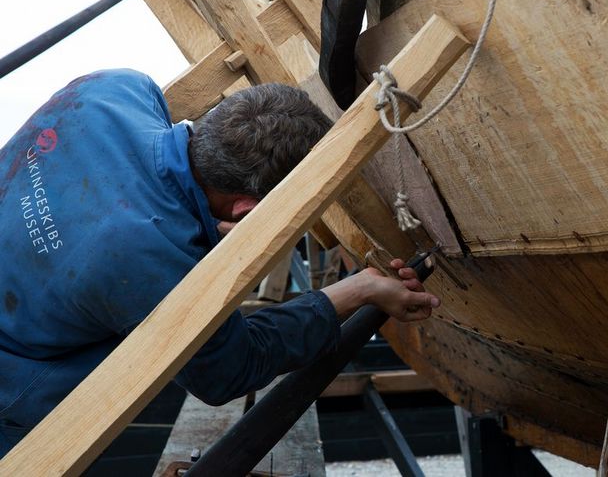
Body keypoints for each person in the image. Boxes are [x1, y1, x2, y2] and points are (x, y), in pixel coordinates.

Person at [0, 69, 440, 456]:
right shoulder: (149, 260)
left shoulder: (115, 88)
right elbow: (230, 369)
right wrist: (358, 289)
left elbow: (139, 189)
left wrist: (199, 226)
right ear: (247, 209)